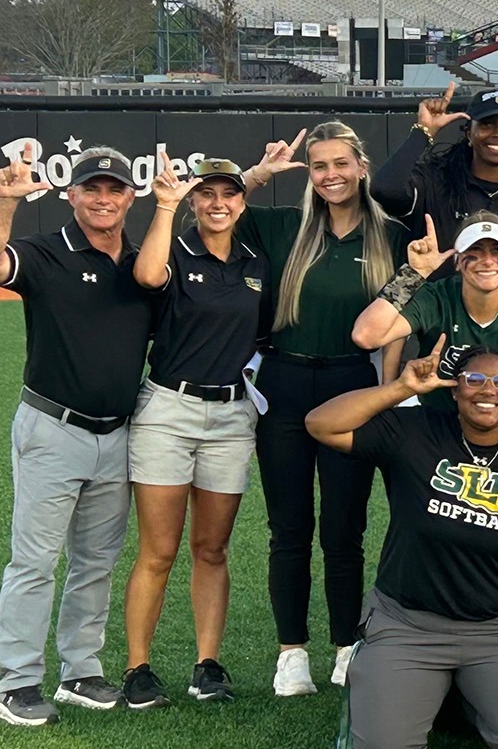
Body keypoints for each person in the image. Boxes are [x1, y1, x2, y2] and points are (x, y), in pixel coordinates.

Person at [306, 340, 498, 749]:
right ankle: (428, 688)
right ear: (454, 388)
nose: (488, 390)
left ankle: (461, 695)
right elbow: (322, 424)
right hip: (409, 623)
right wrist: (401, 388)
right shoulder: (415, 431)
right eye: (474, 379)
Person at [236, 121, 407, 695]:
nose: (330, 175)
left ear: (361, 166)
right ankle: (291, 653)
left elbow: (401, 310)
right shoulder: (284, 226)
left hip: (351, 388)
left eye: (340, 163)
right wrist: (257, 175)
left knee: (344, 528)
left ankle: (343, 645)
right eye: (319, 166)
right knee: (288, 528)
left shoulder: (393, 237)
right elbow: (205, 207)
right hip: (283, 384)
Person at [0, 147, 155, 725]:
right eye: (92, 188)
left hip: (117, 433)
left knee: (96, 562)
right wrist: (6, 203)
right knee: (34, 563)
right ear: (71, 194)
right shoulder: (46, 250)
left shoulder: (143, 263)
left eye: (114, 189)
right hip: (52, 426)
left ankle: (80, 670)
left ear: (130, 198)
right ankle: (15, 680)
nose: (103, 198)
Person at [120, 156, 265, 709]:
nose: (218, 204)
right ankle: (138, 668)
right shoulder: (176, 250)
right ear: (194, 201)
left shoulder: (255, 262)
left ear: (241, 202)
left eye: (228, 194)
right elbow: (147, 276)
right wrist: (164, 206)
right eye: (206, 195)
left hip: (232, 417)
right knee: (158, 551)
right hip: (168, 411)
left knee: (212, 548)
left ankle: (207, 665)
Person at [351, 212, 498, 433]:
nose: (488, 261)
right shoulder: (437, 297)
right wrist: (414, 274)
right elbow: (366, 335)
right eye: (475, 251)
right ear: (458, 261)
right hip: (435, 426)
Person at [372, 82, 498, 245]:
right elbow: (385, 189)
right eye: (487, 124)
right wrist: (423, 132)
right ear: (469, 133)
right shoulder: (434, 183)